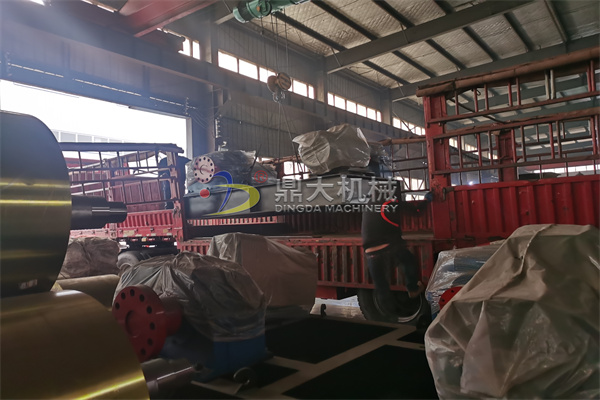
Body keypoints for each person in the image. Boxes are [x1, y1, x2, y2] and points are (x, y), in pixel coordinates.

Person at [361, 184, 427, 316]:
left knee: (382, 288)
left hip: (370, 252)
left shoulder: (368, 206)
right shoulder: (391, 203)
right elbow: (417, 211)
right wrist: (427, 199)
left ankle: (387, 320)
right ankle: (412, 288)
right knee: (408, 260)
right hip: (389, 246)